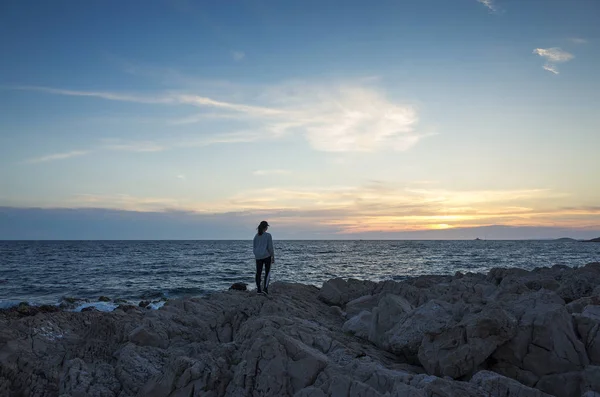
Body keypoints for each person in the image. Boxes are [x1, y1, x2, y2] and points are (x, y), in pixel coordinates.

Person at [253, 220, 274, 294]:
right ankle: (265, 289)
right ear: (265, 227)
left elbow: (254, 247)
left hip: (258, 256)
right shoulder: (268, 235)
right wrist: (272, 256)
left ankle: (258, 289)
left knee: (258, 273)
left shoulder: (256, 236)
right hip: (266, 255)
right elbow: (270, 247)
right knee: (267, 272)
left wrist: (256, 254)